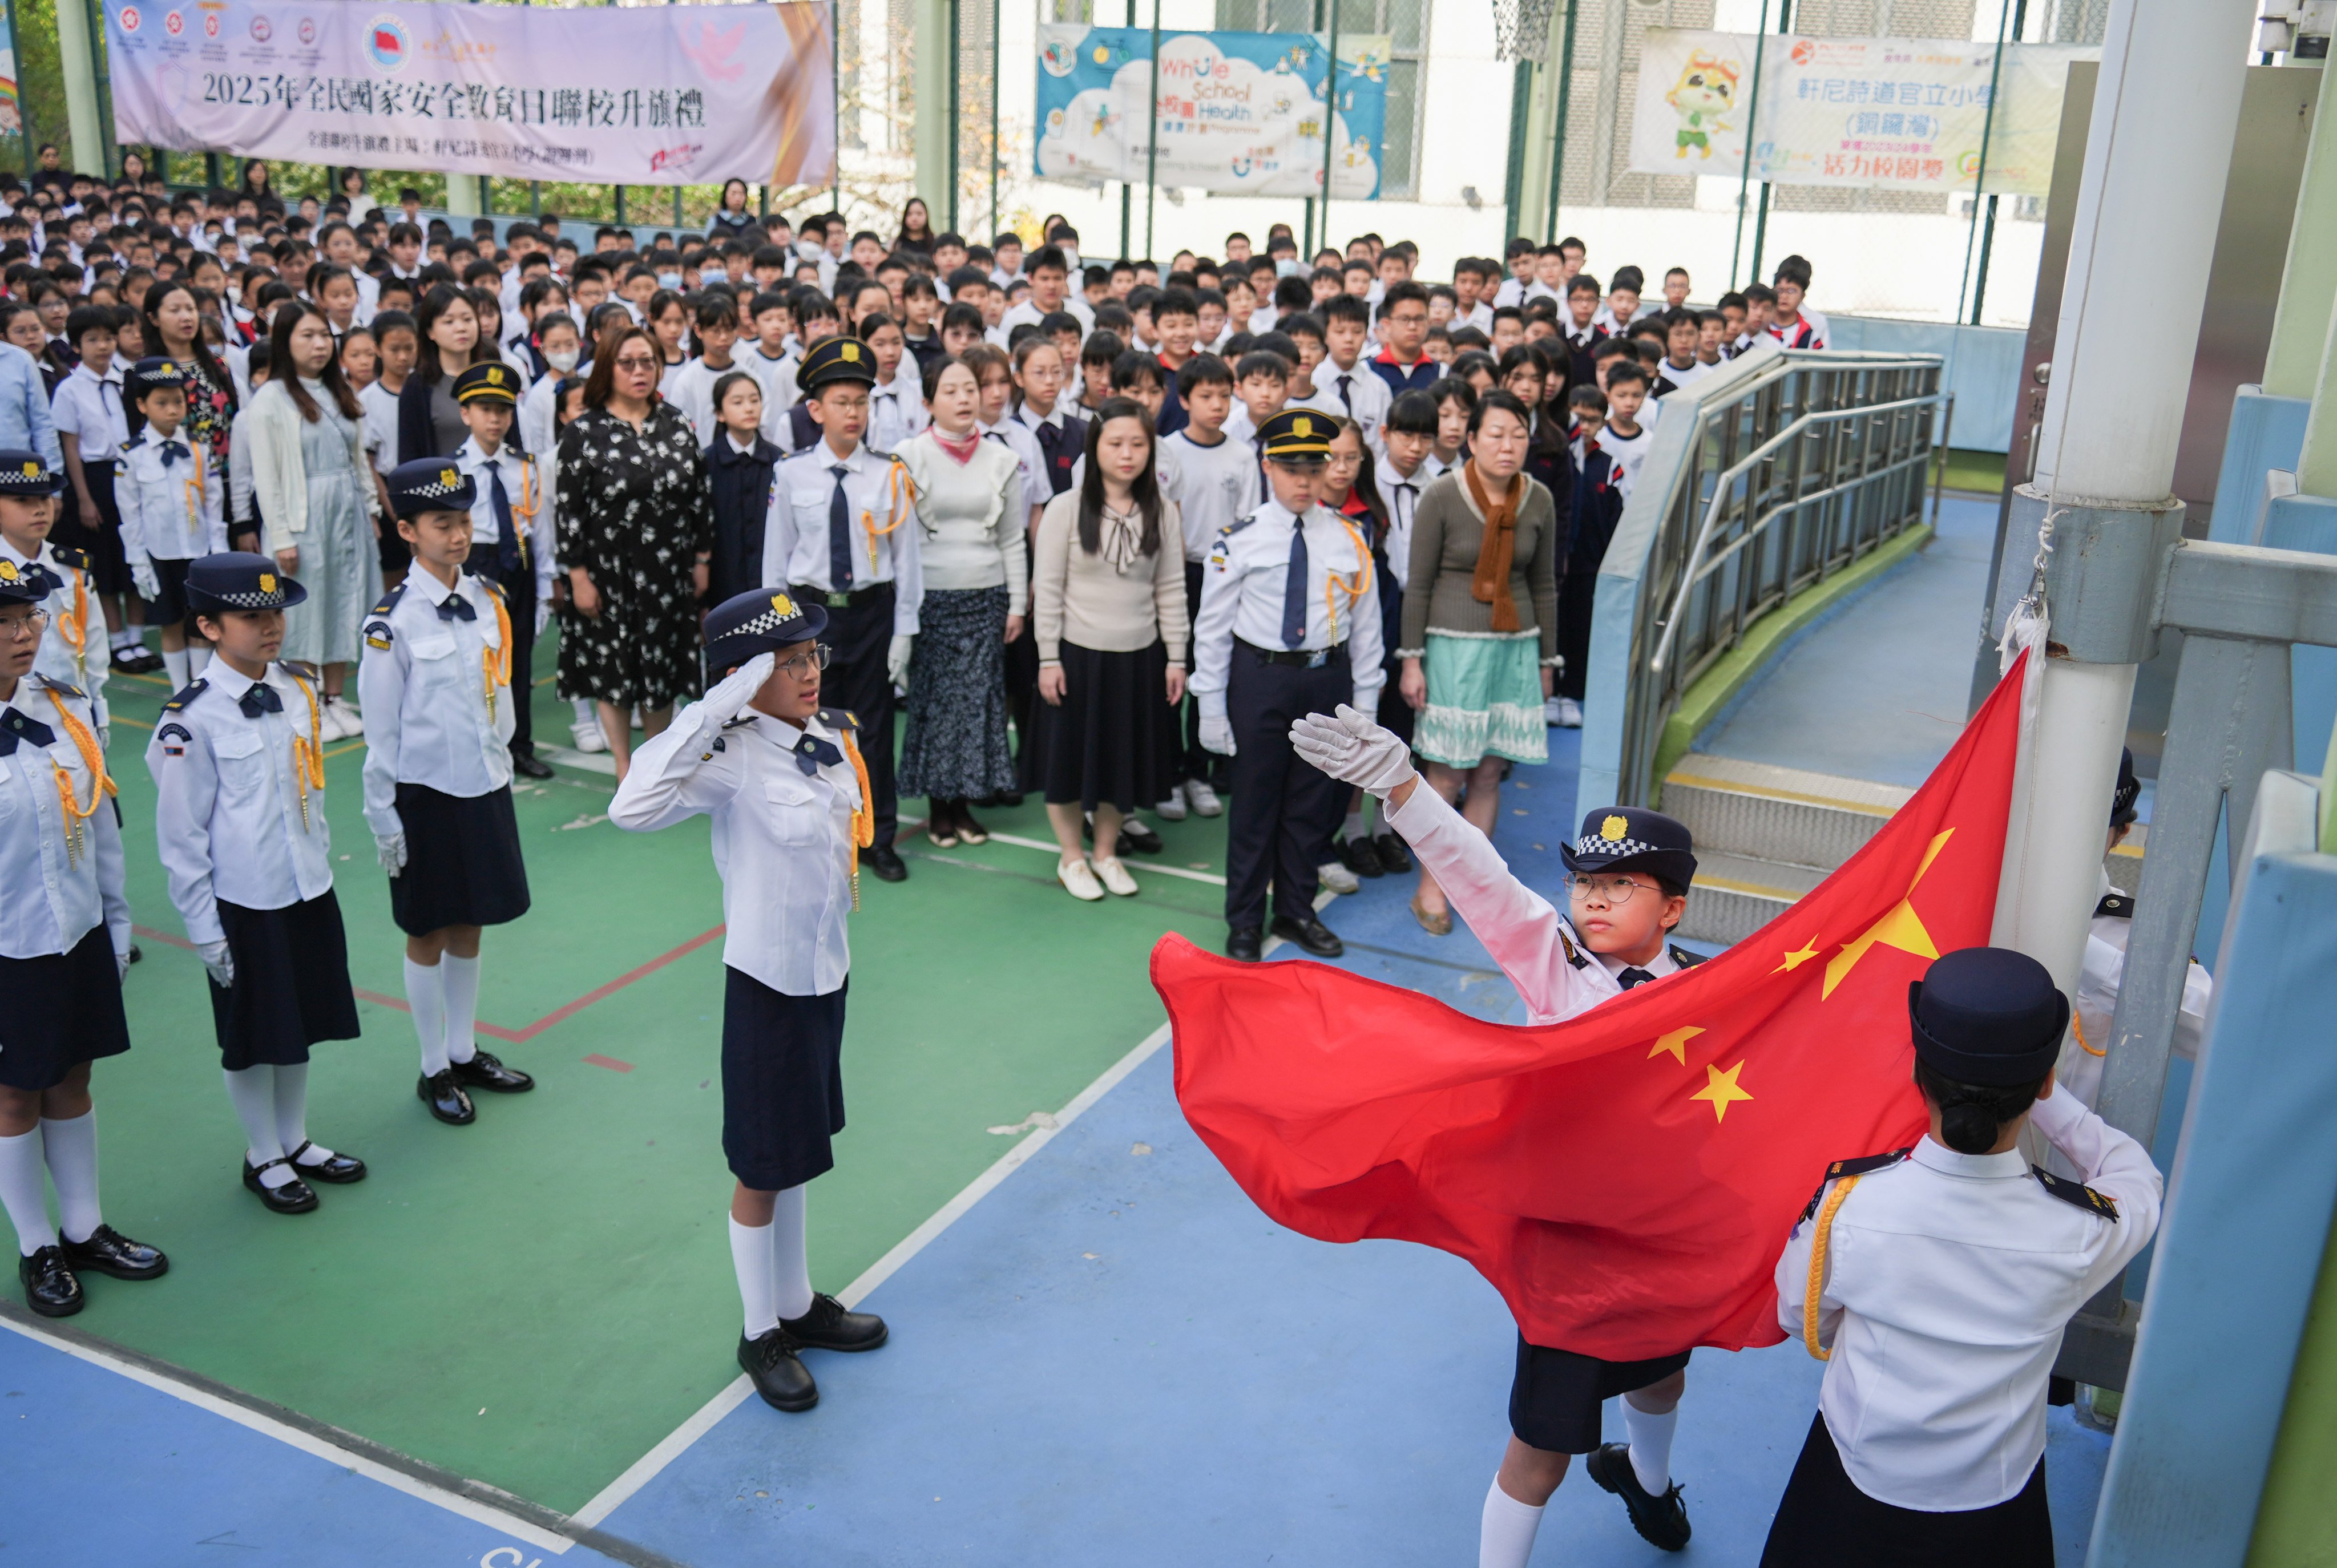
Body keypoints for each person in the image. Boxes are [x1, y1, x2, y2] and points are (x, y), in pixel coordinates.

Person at [1294, 709, 1714, 1562]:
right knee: (1542, 1449)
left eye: (1621, 885)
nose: (1592, 898)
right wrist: (1405, 788)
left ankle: (1647, 1477)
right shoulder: (1550, 958)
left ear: (1672, 907)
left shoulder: (1712, 991)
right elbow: (1477, 874)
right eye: (1584, 882)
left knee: (1664, 1372)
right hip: (1567, 1245)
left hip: (1658, 1229)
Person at [1765, 947, 2164, 1566]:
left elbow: (1800, 1317)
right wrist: (2045, 1097)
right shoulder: (2079, 1231)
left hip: (1853, 1474)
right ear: (2045, 1082)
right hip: (1995, 1501)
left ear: (1918, 1074)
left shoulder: (1850, 1206)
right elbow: (2137, 1177)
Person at [608, 589, 890, 1412]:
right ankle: (758, 1329)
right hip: (765, 984)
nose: (807, 673)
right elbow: (631, 809)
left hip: (823, 974)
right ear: (746, 676)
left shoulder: (830, 738)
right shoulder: (727, 755)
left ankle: (798, 1304)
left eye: (811, 657)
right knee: (761, 1166)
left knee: (798, 1147)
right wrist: (714, 706)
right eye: (786, 662)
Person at [147, 553, 368, 1215]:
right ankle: (261, 1154)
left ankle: (294, 1140)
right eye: (251, 617)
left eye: (275, 613)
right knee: (251, 1035)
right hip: (245, 902)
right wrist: (206, 933)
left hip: (304, 885)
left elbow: (309, 791)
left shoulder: (299, 689)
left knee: (300, 1022)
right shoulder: (191, 720)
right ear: (209, 627)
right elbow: (182, 838)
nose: (270, 627)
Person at [0, 560, 168, 1317]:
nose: (22, 635)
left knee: (73, 1078)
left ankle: (83, 1227)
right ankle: (36, 1246)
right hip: (8, 945)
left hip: (74, 929)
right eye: (3, 624)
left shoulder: (66, 707)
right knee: (12, 1097)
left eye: (27, 619)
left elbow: (99, 818)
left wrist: (116, 919)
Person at [360, 459, 538, 1129]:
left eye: (464, 521)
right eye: (443, 523)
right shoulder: (392, 623)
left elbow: (502, 697)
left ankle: (464, 1051)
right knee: (427, 932)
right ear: (407, 530)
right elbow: (381, 733)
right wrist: (386, 820)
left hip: (483, 783)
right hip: (424, 795)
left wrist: (503, 765)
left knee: (472, 921)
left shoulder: (489, 599)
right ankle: (433, 1064)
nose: (458, 535)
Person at [1190, 408, 1381, 960]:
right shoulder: (1238, 541)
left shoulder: (1349, 537)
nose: (1303, 480)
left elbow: (1366, 626)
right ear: (1268, 467)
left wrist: (1364, 701)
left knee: (1311, 805)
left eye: (1313, 467)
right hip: (1261, 679)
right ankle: (1245, 919)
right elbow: (1213, 627)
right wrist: (1210, 705)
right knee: (1254, 804)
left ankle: (1296, 910)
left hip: (1325, 679)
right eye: (1290, 467)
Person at [1397, 389, 1561, 935]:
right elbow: (1417, 584)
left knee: (1490, 771)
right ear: (1471, 440)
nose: (1507, 445)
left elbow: (1543, 585)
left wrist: (1546, 660)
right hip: (1451, 649)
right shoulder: (1441, 496)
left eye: (1518, 434)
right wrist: (1412, 661)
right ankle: (1430, 886)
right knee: (1445, 775)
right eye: (1495, 434)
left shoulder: (1538, 499)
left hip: (1514, 649)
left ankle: (1469, 885)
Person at [763, 336, 920, 883]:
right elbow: (775, 562)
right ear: (815, 410)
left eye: (861, 402)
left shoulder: (889, 475)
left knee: (872, 729)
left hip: (871, 615)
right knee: (808, 726)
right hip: (810, 616)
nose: (853, 413)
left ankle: (878, 837)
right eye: (840, 402)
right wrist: (776, 637)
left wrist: (905, 631)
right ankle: (816, 834)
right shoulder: (791, 473)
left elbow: (908, 561)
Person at [1025, 398, 1186, 900]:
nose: (1127, 454)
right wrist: (1048, 658)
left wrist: (1176, 656)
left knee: (1123, 762)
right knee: (1067, 763)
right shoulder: (1065, 509)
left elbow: (1171, 587)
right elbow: (1047, 590)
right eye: (1115, 443)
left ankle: (1106, 853)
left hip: (1139, 657)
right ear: (1094, 448)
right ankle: (1071, 856)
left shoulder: (1162, 511)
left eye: (1138, 444)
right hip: (1077, 657)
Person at [554, 323, 713, 779]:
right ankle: (626, 766)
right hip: (609, 573)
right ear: (609, 368)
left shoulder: (676, 423)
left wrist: (701, 558)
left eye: (648, 362)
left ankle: (655, 759)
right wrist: (578, 576)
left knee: (662, 665)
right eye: (628, 363)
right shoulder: (583, 432)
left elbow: (698, 496)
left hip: (668, 571)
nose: (640, 371)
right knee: (614, 669)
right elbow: (568, 511)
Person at [894, 355, 1026, 847]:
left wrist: (1016, 605)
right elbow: (898, 542)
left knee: (979, 705)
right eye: (950, 390)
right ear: (928, 402)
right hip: (931, 598)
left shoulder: (1002, 459)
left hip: (986, 596)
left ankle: (965, 806)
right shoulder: (906, 456)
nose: (965, 398)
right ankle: (938, 808)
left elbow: (1012, 539)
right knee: (935, 705)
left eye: (969, 388)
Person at [243, 301, 381, 741]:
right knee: (307, 608)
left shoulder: (340, 390)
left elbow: (358, 459)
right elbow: (266, 477)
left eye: (324, 335)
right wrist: (281, 535)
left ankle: (334, 698)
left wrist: (372, 509)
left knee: (346, 599)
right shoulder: (270, 399)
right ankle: (306, 698)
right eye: (308, 335)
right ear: (285, 342)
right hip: (305, 517)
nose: (320, 344)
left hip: (347, 511)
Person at [450, 361, 555, 781]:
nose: (494, 419)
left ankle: (520, 746)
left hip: (519, 565)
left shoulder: (524, 465)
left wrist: (546, 585)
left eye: (503, 410)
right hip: (475, 566)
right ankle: (479, 745)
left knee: (519, 660)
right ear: (465, 413)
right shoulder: (454, 469)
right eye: (484, 409)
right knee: (476, 659)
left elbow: (541, 529)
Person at [116, 357, 229, 693]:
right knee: (170, 623)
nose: (172, 410)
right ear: (142, 405)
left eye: (178, 401)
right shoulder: (130, 455)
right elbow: (130, 515)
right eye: (161, 403)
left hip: (197, 550)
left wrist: (219, 551)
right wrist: (138, 563)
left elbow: (213, 505)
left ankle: (201, 686)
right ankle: (181, 690)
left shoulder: (198, 450)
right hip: (158, 552)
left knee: (199, 622)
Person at [0, 451, 111, 742]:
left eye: (44, 498)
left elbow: (94, 644)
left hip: (75, 713)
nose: (39, 509)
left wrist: (98, 711)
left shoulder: (73, 568)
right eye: (22, 501)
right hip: (13, 719)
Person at [705, 370, 782, 607]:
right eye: (738, 402)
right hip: (723, 584)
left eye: (755, 400)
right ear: (720, 413)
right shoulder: (706, 463)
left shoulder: (778, 460)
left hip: (769, 582)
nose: (749, 408)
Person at [394, 284, 485, 466]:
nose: (461, 328)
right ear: (430, 332)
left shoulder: (492, 376)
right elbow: (410, 457)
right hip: (444, 488)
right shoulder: (418, 387)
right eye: (449, 322)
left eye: (468, 319)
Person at [709, 179, 760, 244]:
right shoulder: (715, 221)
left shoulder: (753, 221)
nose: (738, 198)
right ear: (725, 196)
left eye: (741, 193)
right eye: (733, 193)